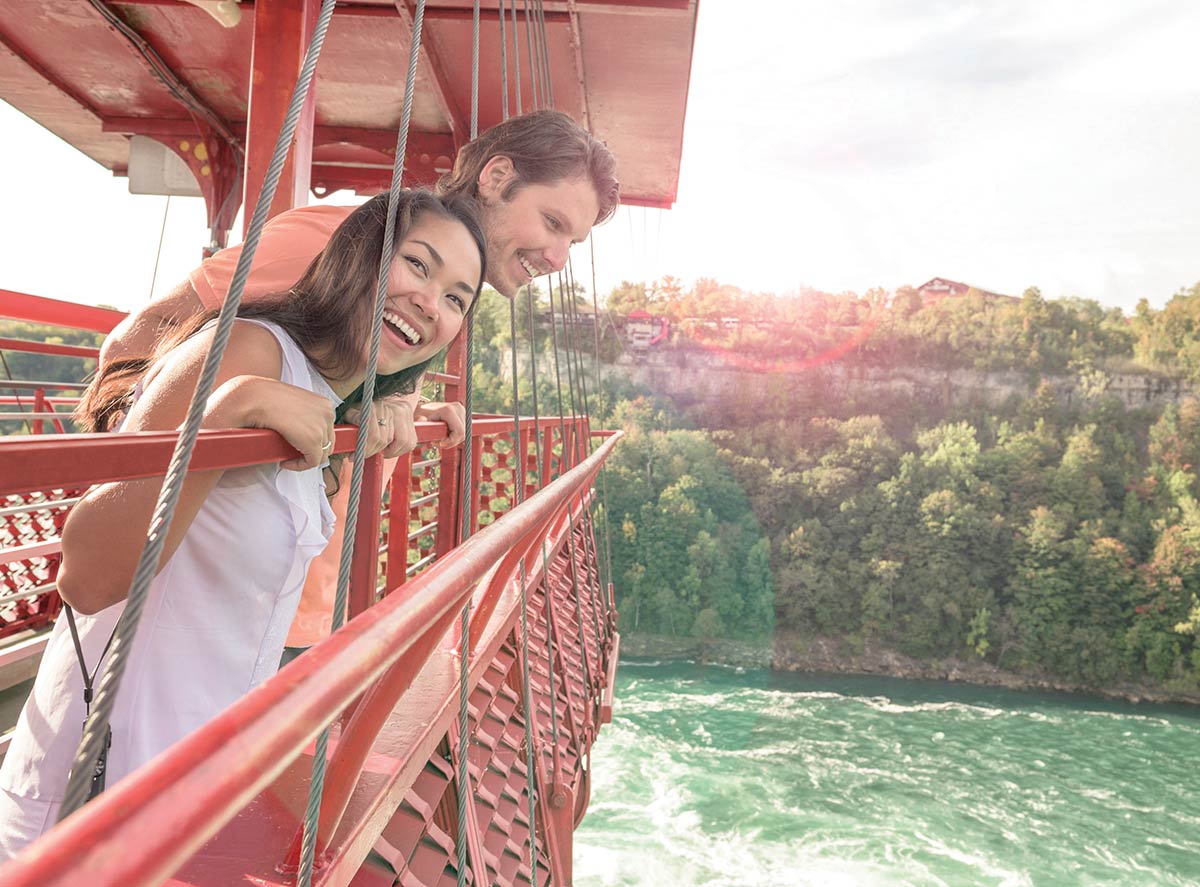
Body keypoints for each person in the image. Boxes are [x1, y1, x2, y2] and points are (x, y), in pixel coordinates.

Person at [0, 190, 486, 859]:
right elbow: (84, 574)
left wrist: (390, 409)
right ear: (356, 257)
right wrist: (226, 409)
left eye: (458, 298)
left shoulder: (322, 392)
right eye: (419, 266)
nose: (432, 303)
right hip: (94, 789)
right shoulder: (248, 350)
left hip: (189, 789)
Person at [97, 109, 621, 653]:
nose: (558, 258)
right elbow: (135, 346)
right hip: (192, 612)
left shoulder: (436, 302)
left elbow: (314, 382)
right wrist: (133, 493)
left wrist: (395, 408)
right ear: (495, 178)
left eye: (573, 243)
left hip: (294, 607)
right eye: (553, 223)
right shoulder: (337, 244)